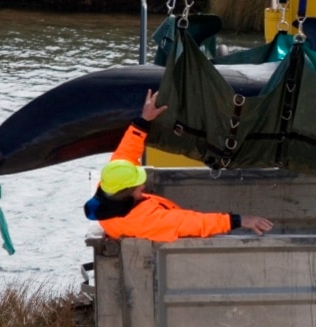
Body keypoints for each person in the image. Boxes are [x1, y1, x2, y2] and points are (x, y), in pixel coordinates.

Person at [84, 89, 274, 241]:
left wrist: (143, 121)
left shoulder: (108, 186)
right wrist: (240, 220)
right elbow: (193, 223)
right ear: (126, 192)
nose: (143, 184)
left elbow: (125, 153)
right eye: (138, 183)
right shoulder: (145, 221)